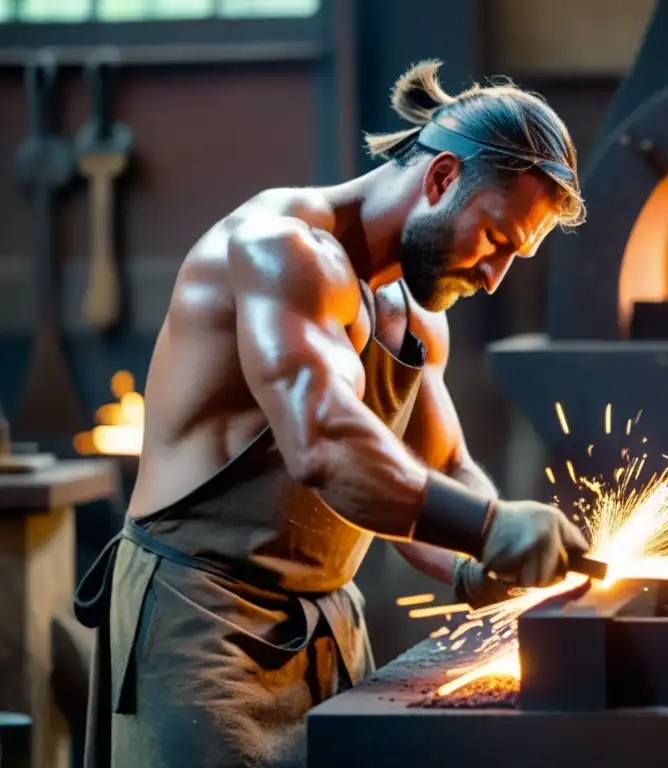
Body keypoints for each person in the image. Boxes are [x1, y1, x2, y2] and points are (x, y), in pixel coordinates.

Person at [75, 59, 589, 768]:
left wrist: (490, 565)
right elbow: (326, 447)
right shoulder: (281, 252)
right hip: (202, 622)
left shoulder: (413, 312)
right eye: (497, 239)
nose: (495, 275)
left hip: (329, 631)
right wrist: (491, 529)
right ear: (442, 178)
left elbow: (438, 467)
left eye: (516, 256)